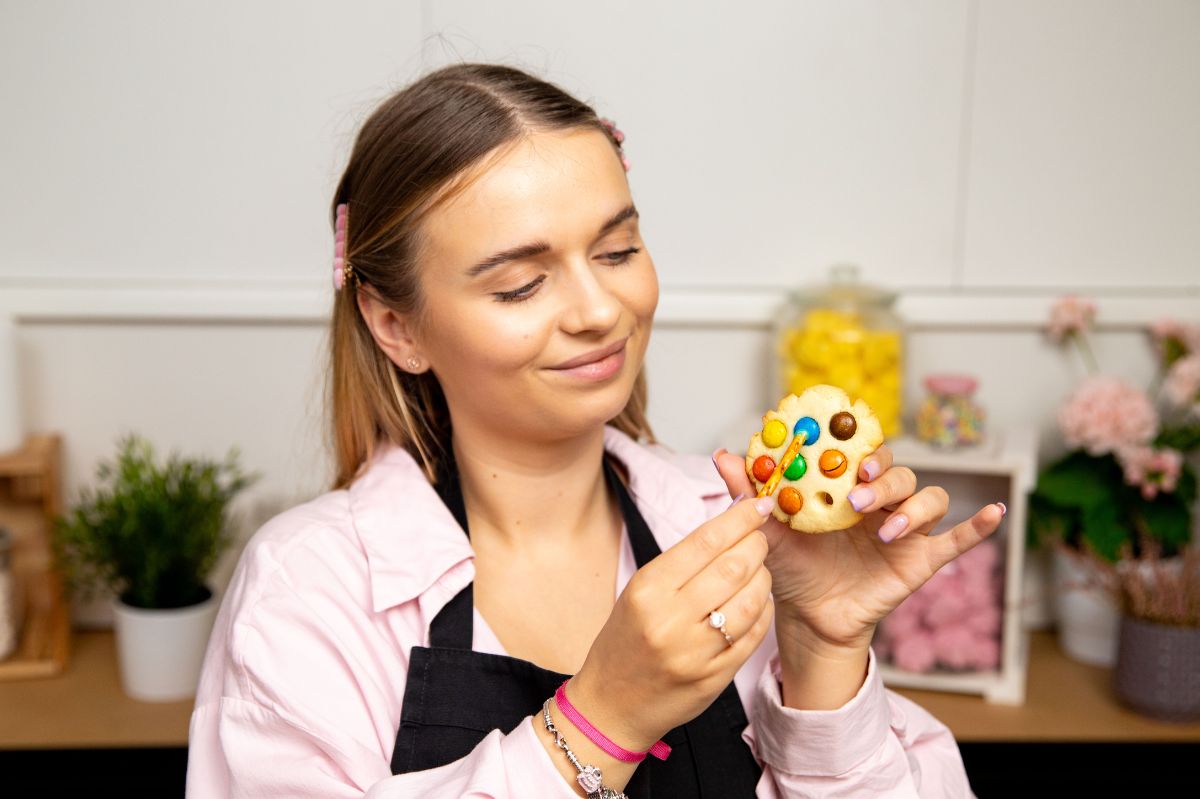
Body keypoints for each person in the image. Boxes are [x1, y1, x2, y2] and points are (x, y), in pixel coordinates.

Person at [186, 62, 1002, 798]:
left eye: (617, 250)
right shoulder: (309, 591)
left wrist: (825, 654)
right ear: (396, 324)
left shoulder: (731, 528)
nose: (601, 310)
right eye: (520, 284)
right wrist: (599, 720)